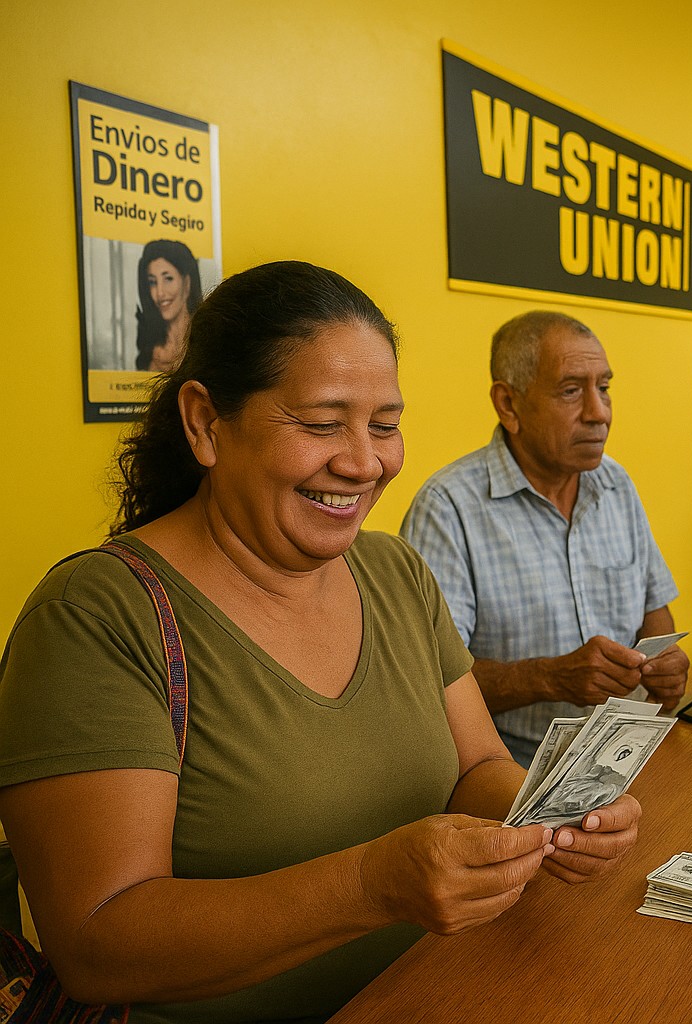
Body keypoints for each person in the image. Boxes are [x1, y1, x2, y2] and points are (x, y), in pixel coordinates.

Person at [0, 262, 640, 1023]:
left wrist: (554, 818)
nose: (364, 463)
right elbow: (99, 942)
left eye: (385, 424)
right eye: (321, 422)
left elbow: (475, 768)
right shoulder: (95, 619)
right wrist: (371, 886)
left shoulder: (396, 572)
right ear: (206, 422)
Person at [401, 311, 688, 765]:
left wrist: (667, 663)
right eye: (571, 391)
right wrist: (548, 679)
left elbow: (655, 608)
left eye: (605, 388)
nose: (599, 413)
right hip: (512, 772)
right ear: (509, 405)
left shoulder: (615, 484)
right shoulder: (448, 507)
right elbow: (428, 684)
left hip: (628, 753)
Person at [134, 239, 204, 373]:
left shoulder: (206, 343)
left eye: (168, 279)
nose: (160, 293)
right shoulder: (148, 349)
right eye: (153, 282)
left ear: (187, 282)